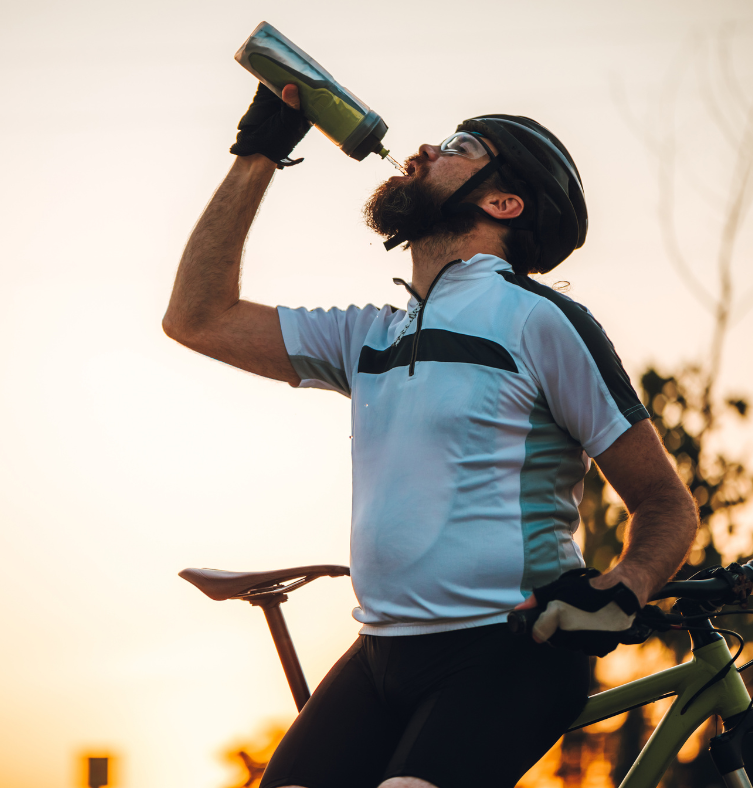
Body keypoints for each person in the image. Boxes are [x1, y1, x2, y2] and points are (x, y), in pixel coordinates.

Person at [162, 83, 699, 788]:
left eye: (459, 147)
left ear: (502, 202)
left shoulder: (539, 320)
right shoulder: (370, 333)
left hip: (509, 648)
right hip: (380, 651)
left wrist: (625, 585)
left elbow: (665, 502)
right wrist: (259, 151)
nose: (423, 150)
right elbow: (197, 317)